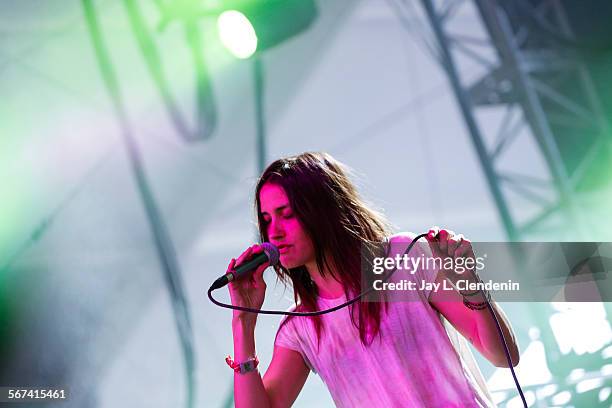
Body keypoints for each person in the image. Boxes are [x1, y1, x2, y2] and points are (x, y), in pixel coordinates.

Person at [226, 152, 520, 407]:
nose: (274, 232)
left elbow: (504, 355)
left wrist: (470, 284)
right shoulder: (301, 327)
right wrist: (243, 323)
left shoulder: (403, 258)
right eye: (266, 220)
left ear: (322, 210)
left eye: (286, 214)